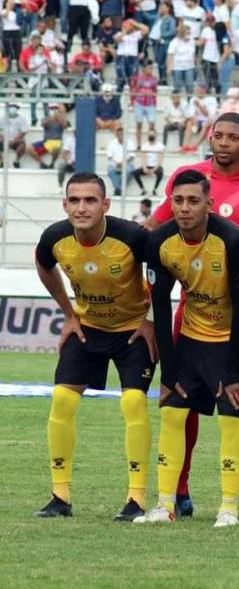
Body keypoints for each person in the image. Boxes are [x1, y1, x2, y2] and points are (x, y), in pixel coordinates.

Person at [146, 113, 239, 523]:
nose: (223, 143)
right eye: (217, 135)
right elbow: (153, 230)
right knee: (181, 401)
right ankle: (178, 493)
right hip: (193, 310)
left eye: (232, 137)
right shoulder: (188, 180)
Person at [136, 169, 239, 528]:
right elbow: (161, 305)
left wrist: (236, 371)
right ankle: (164, 505)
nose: (185, 209)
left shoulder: (231, 239)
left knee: (230, 417)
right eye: (178, 201)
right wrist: (169, 371)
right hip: (192, 336)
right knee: (172, 412)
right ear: (170, 203)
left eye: (193, 201)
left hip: (236, 337)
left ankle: (228, 508)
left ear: (209, 204)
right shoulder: (159, 241)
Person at [33, 173, 156, 522]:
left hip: (132, 331)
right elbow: (43, 265)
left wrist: (151, 321)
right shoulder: (55, 238)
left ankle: (136, 499)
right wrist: (69, 314)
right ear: (65, 205)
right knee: (62, 400)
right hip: (87, 329)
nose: (81, 207)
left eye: (90, 200)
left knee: (133, 402)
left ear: (105, 205)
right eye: (74, 200)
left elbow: (161, 271)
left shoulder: (131, 237)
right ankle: (60, 496)